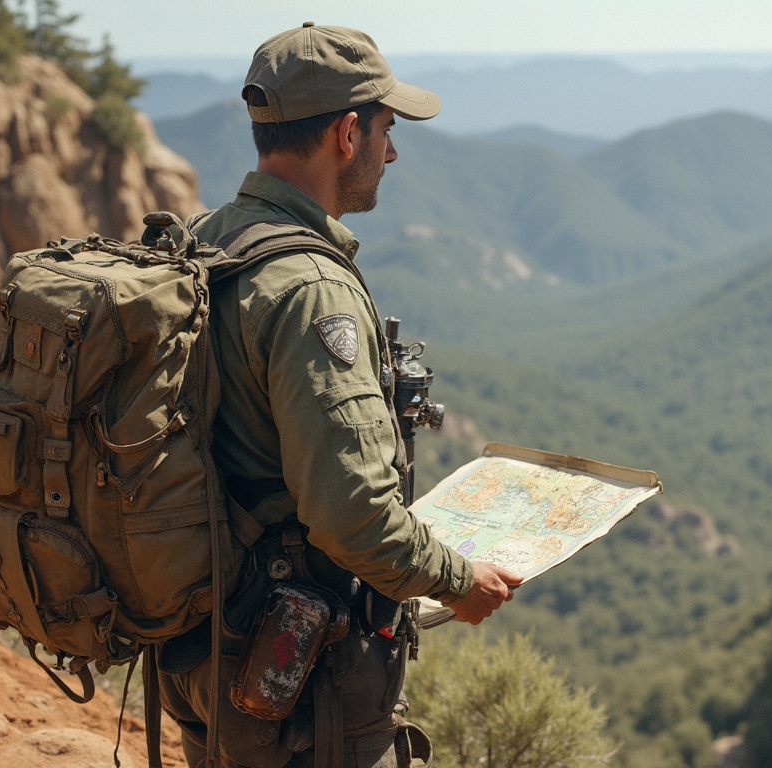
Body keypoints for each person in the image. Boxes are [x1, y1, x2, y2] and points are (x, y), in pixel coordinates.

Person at [157, 23, 523, 768]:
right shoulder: (311, 289)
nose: (392, 153)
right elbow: (348, 515)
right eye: (387, 130)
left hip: (201, 645)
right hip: (294, 677)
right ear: (348, 133)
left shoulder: (204, 239)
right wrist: (460, 580)